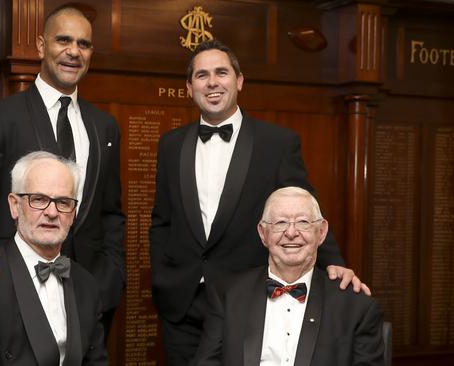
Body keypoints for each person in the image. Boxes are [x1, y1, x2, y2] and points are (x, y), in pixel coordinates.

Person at [149, 39, 370, 365]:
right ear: (189, 86)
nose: (212, 82)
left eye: (221, 72)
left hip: (244, 302)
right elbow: (162, 220)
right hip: (181, 304)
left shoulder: (277, 143)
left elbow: (305, 207)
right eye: (202, 75)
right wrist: (163, 277)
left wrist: (333, 261)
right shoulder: (171, 145)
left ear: (239, 81)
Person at [0, 5, 125, 333]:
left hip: (90, 294)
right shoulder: (2, 116)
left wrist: (110, 277)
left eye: (83, 44)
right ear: (42, 46)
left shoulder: (105, 127)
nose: (74, 51)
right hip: (15, 289)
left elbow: (111, 213)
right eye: (63, 40)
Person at [0, 151, 108, 366]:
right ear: (14, 205)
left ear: (73, 212)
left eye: (63, 202)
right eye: (39, 199)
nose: (51, 212)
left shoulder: (86, 285)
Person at [193, 187, 384, 365]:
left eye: (303, 222)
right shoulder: (229, 295)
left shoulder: (356, 307)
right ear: (263, 233)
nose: (291, 233)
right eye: (280, 222)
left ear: (322, 232)